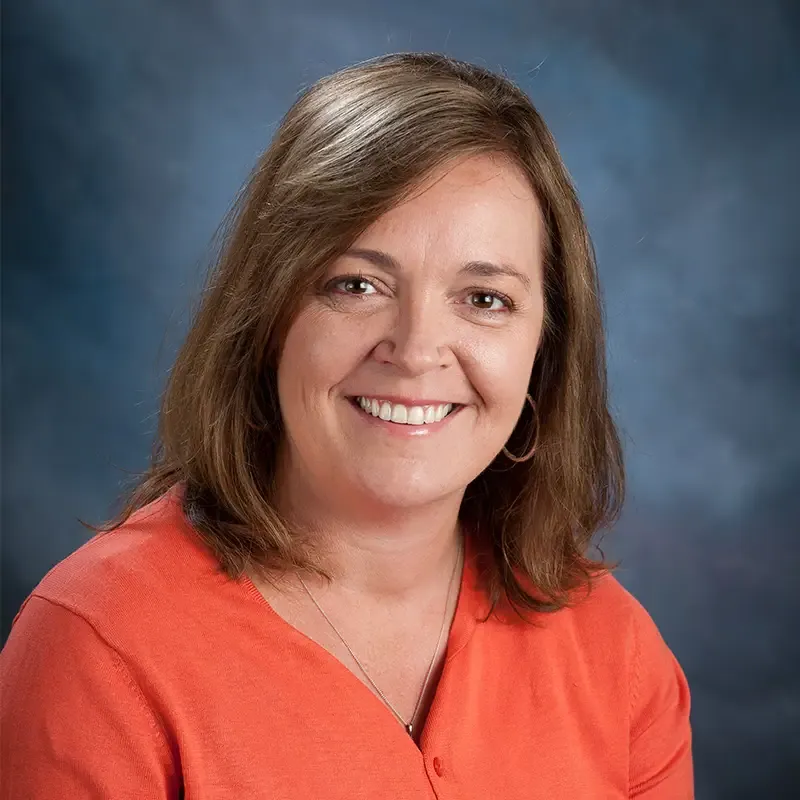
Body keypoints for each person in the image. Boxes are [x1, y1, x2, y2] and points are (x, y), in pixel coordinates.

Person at [0, 52, 693, 798]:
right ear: (270, 319)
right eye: (356, 285)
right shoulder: (101, 646)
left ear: (543, 350)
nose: (417, 349)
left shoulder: (614, 653)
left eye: (484, 298)